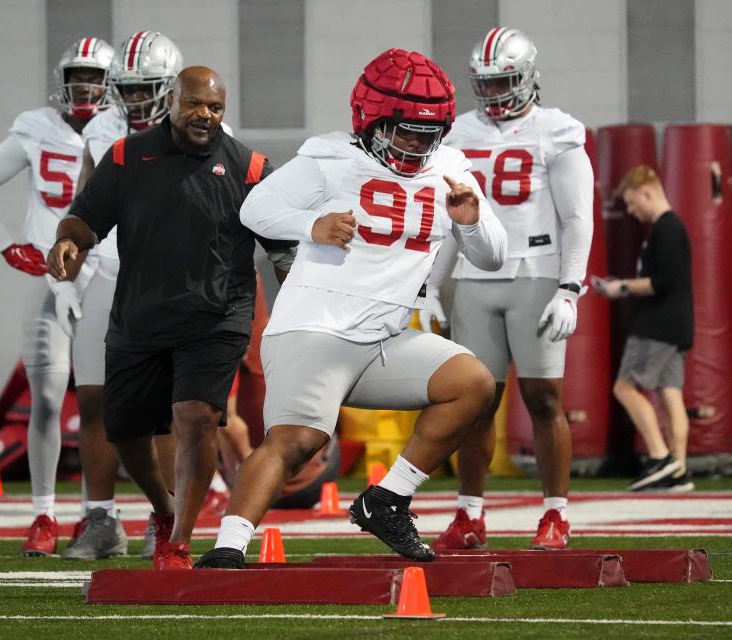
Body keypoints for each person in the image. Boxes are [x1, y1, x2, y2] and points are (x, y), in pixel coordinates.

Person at [194, 48, 506, 569]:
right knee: (298, 440)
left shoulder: (450, 167)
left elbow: (491, 256)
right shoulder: (333, 158)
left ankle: (387, 499)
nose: (417, 145)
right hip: (313, 330)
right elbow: (256, 208)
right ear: (373, 120)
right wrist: (310, 226)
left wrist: (471, 221)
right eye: (406, 131)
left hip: (383, 340)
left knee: (473, 384)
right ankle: (227, 547)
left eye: (428, 134)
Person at [47, 66, 296, 570]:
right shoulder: (125, 156)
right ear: (172, 102)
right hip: (140, 311)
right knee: (125, 430)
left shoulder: (250, 168)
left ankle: (179, 540)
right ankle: (162, 512)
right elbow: (85, 217)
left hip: (217, 315)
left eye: (216, 108)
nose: (205, 115)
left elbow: (283, 249)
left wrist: (302, 302)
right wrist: (69, 240)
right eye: (195, 105)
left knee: (196, 418)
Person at [431, 28, 594, 551]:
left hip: (536, 272)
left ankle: (555, 514)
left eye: (503, 81)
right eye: (486, 83)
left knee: (544, 398)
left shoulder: (556, 130)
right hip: (476, 278)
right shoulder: (457, 133)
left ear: (526, 76)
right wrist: (429, 285)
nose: (495, 93)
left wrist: (569, 287)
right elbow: (448, 221)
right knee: (475, 401)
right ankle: (470, 514)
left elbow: (577, 217)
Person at [0, 37, 115, 556]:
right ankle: (43, 515)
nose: (85, 88)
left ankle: (97, 515)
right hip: (53, 278)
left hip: (107, 278)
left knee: (104, 402)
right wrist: (6, 246)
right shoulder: (37, 127)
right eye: (78, 78)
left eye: (95, 78)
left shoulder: (120, 133)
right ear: (64, 81)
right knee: (45, 398)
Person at [57, 30, 183, 562]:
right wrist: (68, 267)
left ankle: (167, 518)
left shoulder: (195, 129)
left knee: (169, 410)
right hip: (107, 273)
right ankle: (102, 518)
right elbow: (83, 201)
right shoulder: (102, 130)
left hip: (168, 280)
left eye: (145, 88)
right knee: (94, 399)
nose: (134, 99)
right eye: (126, 88)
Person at [591, 165, 694, 492]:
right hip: (676, 323)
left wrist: (619, 288)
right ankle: (678, 471)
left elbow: (663, 281)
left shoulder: (666, 229)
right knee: (669, 394)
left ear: (648, 192)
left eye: (633, 203)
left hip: (658, 323)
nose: (632, 211)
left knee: (624, 388)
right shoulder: (668, 228)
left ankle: (661, 458)